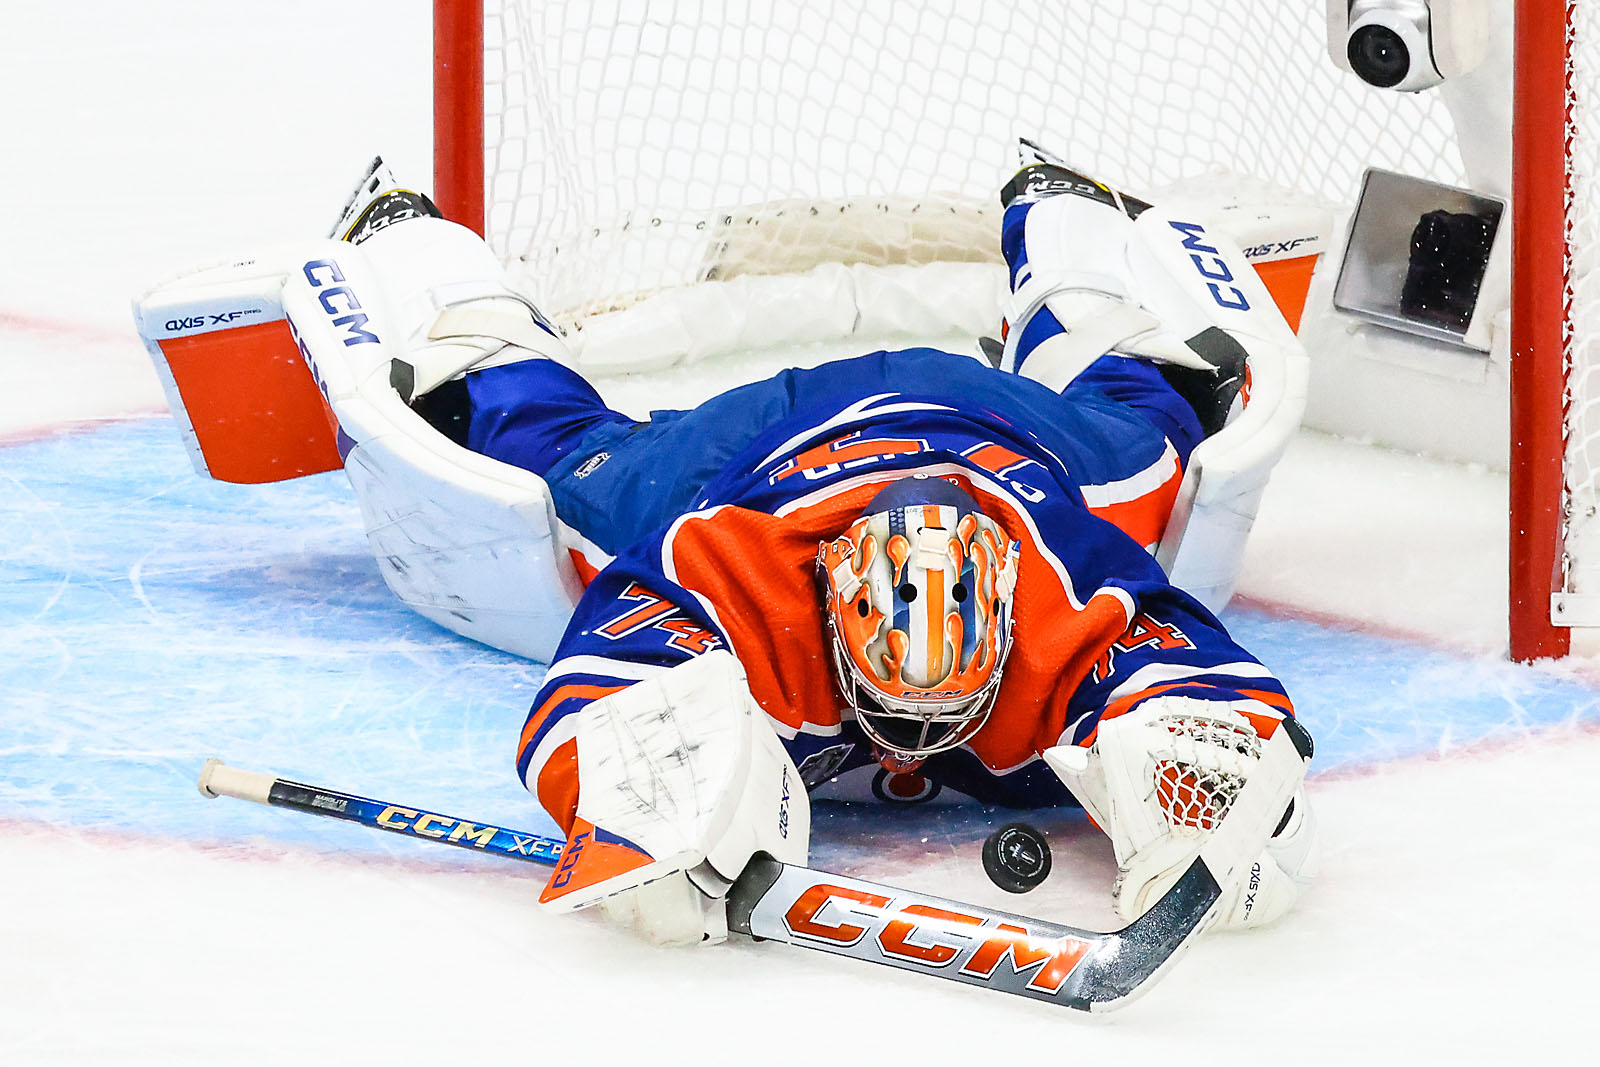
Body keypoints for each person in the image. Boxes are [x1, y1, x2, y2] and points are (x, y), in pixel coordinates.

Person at [283, 148, 1318, 946]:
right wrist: (645, 807)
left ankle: (1059, 206)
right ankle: (413, 243)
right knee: (547, 443)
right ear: (831, 612)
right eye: (894, 710)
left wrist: (1203, 795)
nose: (911, 743)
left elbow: (1217, 692)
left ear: (1006, 615)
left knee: (1164, 393)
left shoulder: (1067, 591)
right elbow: (588, 695)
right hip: (747, 450)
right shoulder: (731, 567)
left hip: (998, 428)